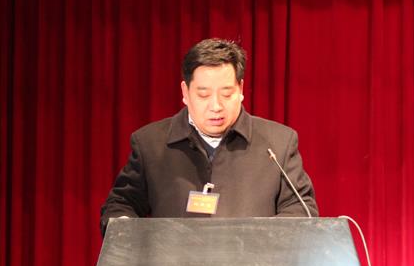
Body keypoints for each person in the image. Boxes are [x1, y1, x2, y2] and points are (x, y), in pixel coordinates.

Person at [100, 38, 318, 235]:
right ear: (185, 92)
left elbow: (300, 210)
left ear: (241, 89)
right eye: (203, 95)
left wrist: (257, 240)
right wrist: (127, 232)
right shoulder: (150, 144)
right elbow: (121, 205)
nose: (216, 106)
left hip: (253, 265)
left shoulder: (278, 143)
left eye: (226, 94)